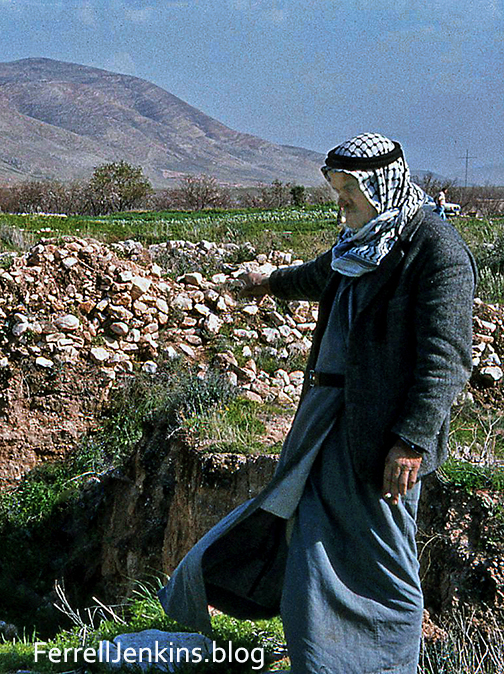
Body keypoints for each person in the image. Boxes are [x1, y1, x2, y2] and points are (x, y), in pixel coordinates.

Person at [157, 132, 476, 673]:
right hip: (326, 421)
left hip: (378, 438)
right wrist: (268, 282)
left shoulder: (435, 251)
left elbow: (446, 360)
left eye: (351, 193)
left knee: (382, 563)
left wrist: (412, 441)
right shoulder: (363, 243)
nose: (342, 206)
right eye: (338, 193)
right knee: (311, 546)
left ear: (384, 187)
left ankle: (385, 663)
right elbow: (320, 274)